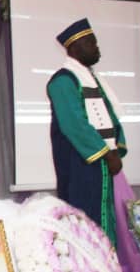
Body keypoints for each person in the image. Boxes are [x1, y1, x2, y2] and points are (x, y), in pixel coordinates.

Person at [46, 18, 126, 246]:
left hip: (101, 161)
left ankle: (106, 266)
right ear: (74, 47)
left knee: (103, 217)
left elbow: (110, 116)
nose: (97, 48)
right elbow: (74, 124)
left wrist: (117, 148)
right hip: (80, 162)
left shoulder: (94, 79)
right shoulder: (63, 81)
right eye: (92, 43)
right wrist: (106, 153)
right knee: (84, 216)